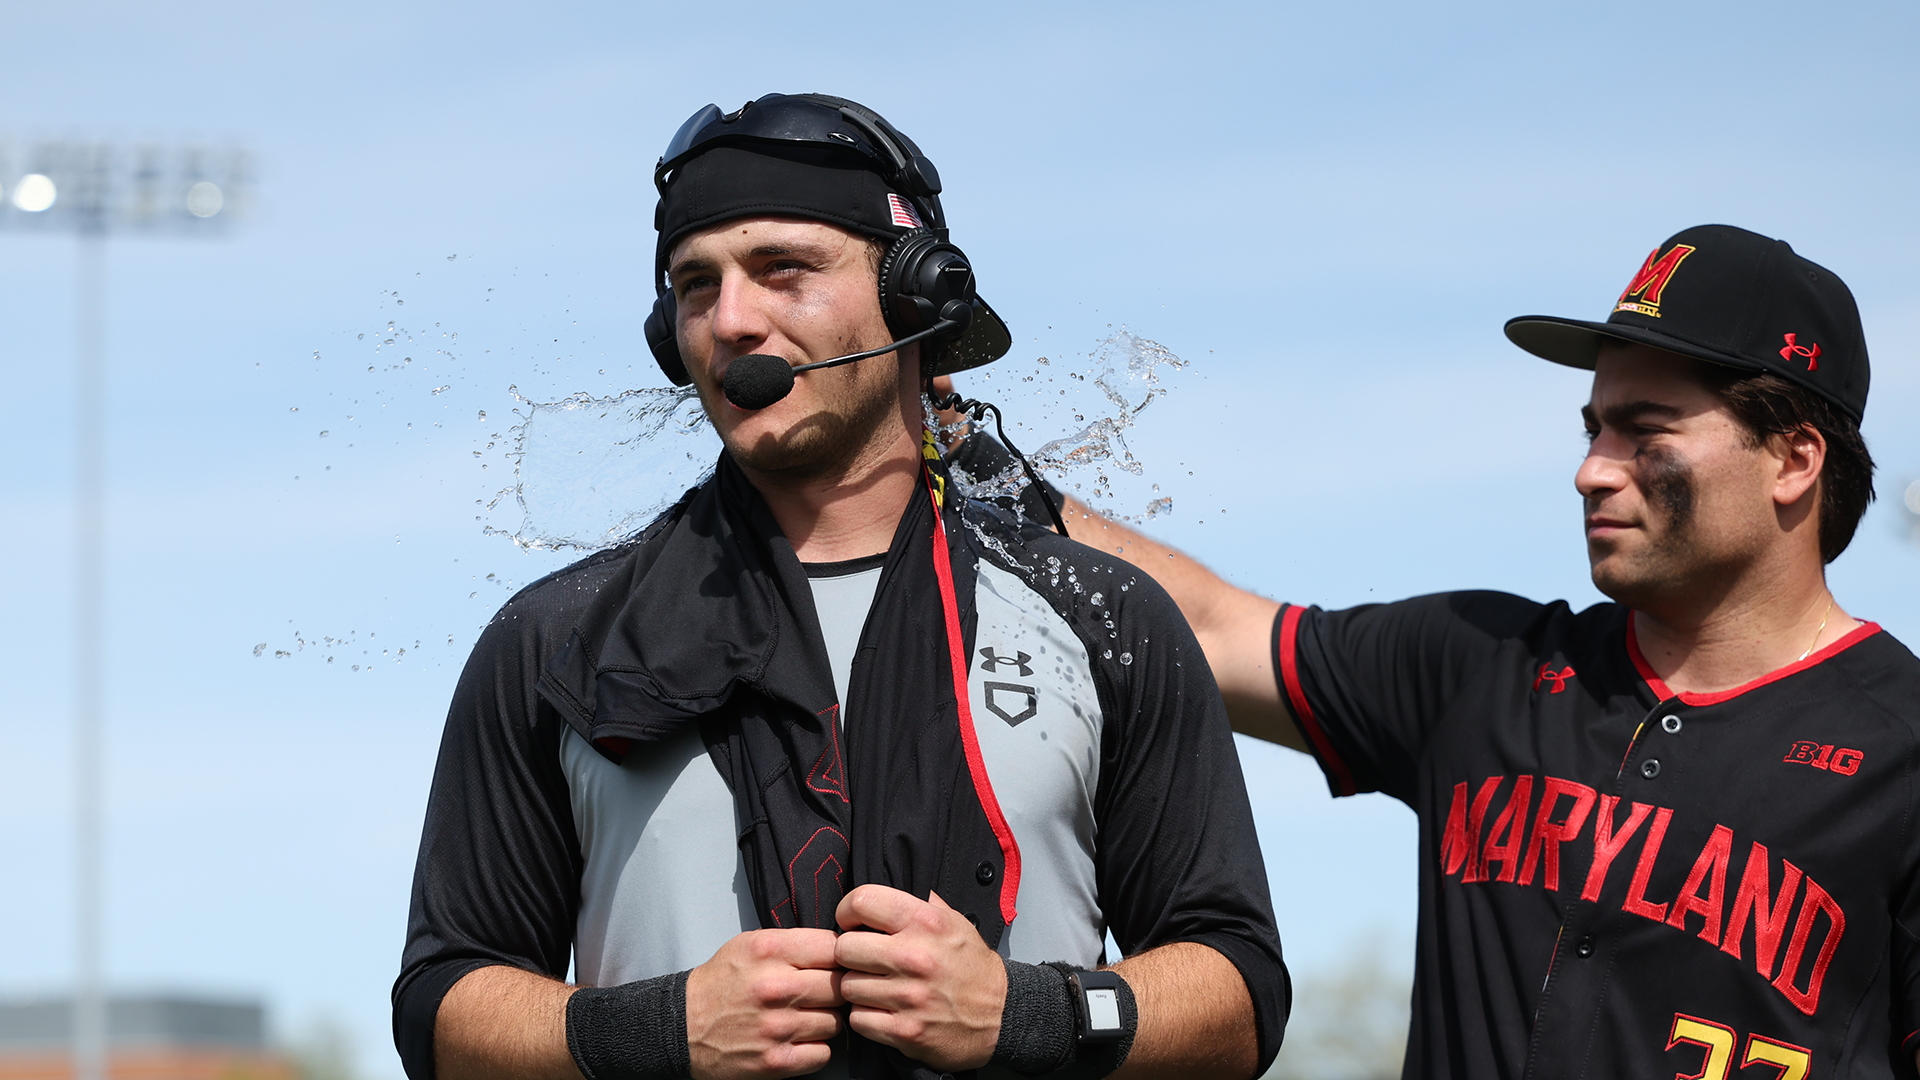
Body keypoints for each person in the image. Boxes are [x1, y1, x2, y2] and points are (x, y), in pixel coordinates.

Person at [391, 93, 1287, 1080]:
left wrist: (1031, 1013)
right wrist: (650, 1032)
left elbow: (1238, 995)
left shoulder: (1104, 617)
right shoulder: (558, 641)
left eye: (784, 270)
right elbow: (443, 1008)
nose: (731, 320)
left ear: (911, 299)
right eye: (696, 285)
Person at [1034, 224, 1920, 1077]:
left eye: (1645, 432)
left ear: (1795, 459)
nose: (1593, 470)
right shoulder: (1480, 663)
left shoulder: (1902, 751)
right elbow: (1217, 629)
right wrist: (965, 458)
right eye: (1594, 429)